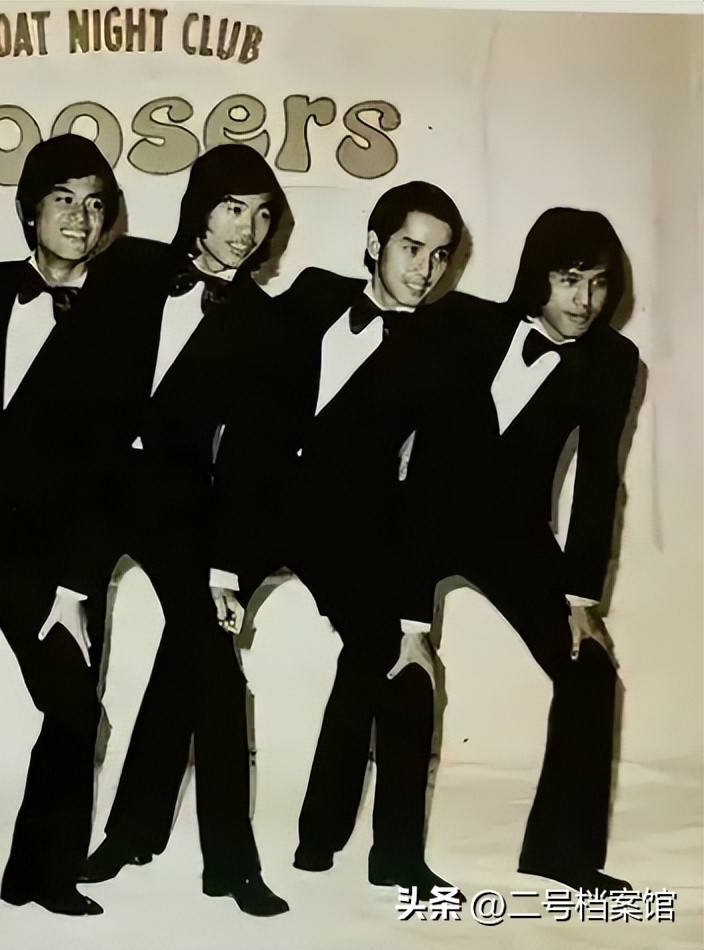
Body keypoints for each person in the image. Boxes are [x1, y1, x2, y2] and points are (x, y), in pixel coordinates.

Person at [210, 181, 464, 894]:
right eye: (411, 248)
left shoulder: (441, 353)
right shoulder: (314, 293)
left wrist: (415, 623)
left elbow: (428, 491)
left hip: (348, 529)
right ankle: (135, 832)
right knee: (193, 645)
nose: (425, 270)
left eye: (440, 256)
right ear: (375, 245)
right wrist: (221, 562)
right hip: (257, 509)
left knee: (398, 668)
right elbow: (246, 411)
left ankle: (382, 852)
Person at [0, 133, 151, 916]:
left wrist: (74, 585)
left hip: (41, 552)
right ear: (28, 211)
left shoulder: (130, 319)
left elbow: (111, 470)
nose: (80, 218)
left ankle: (42, 875)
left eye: (96, 205)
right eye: (63, 200)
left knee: (74, 705)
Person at [400, 207, 640, 892]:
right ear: (538, 276)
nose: (585, 301)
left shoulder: (614, 360)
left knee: (590, 671)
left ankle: (561, 855)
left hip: (515, 537)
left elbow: (600, 479)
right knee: (399, 669)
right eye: (569, 280)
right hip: (421, 522)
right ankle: (394, 856)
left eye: (599, 283)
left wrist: (580, 597)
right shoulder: (460, 321)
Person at [80, 144, 291, 917]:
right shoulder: (127, 265)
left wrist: (226, 567)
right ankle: (127, 835)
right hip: (92, 492)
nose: (247, 230)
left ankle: (231, 863)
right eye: (234, 209)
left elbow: (251, 455)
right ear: (199, 207)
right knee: (75, 666)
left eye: (262, 216)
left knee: (211, 666)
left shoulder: (264, 323)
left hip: (179, 500)